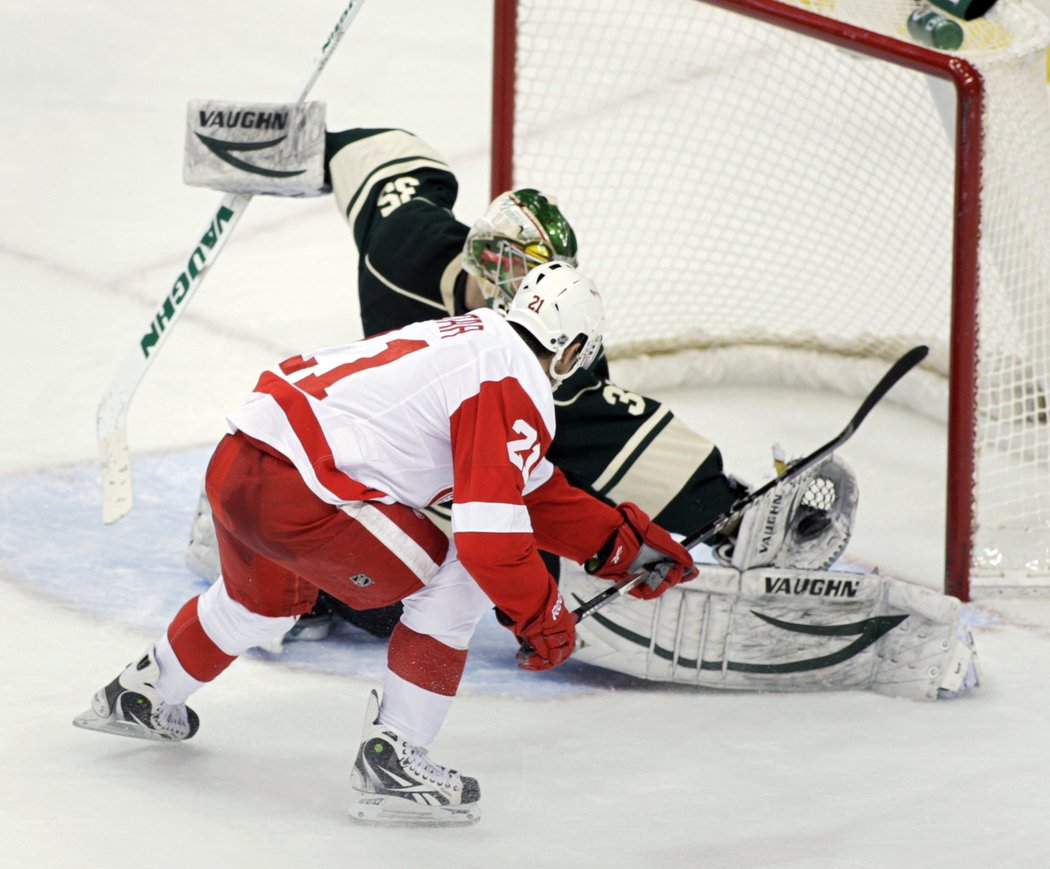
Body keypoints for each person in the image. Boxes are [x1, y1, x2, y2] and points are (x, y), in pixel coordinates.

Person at [75, 262, 698, 826]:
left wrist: (623, 544)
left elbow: (530, 492)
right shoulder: (511, 381)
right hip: (304, 493)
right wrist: (541, 615)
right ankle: (397, 755)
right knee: (460, 569)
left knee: (261, 602)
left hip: (240, 462)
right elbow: (489, 536)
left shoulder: (476, 339)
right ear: (575, 348)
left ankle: (145, 689)